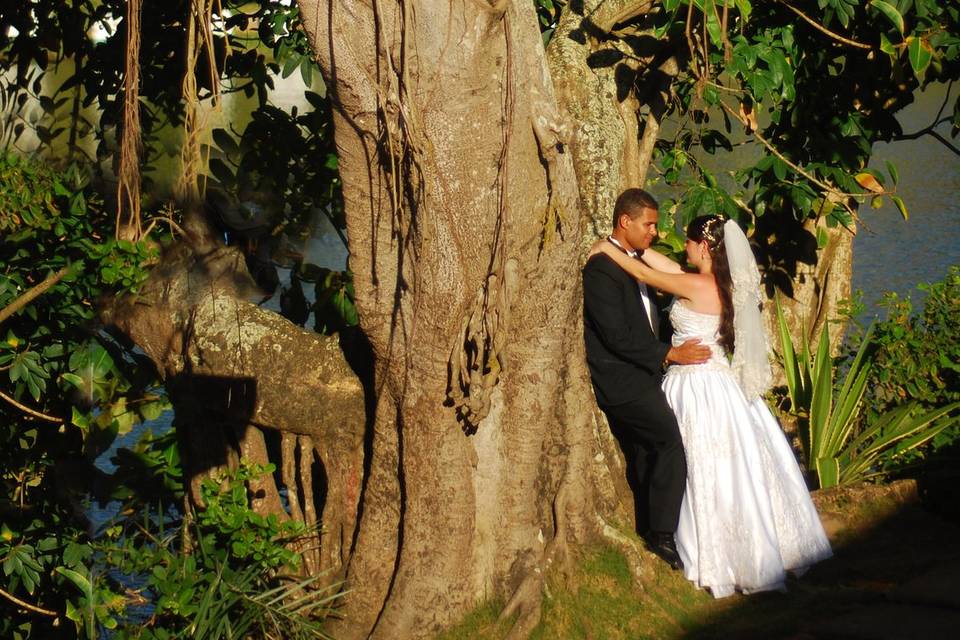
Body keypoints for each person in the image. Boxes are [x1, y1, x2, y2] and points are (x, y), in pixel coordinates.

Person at [589, 213, 833, 598]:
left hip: (697, 385)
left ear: (703, 246)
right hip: (725, 386)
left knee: (698, 463)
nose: (681, 248)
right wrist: (633, 247)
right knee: (736, 468)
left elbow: (654, 278)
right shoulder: (724, 282)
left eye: (688, 241)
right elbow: (664, 267)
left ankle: (704, 549)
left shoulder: (693, 285)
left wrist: (607, 250)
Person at [582, 189, 711, 570]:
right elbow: (615, 335)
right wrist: (669, 354)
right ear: (626, 222)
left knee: (645, 450)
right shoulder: (601, 269)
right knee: (669, 442)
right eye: (649, 225)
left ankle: (649, 523)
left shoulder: (633, 259)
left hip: (646, 374)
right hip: (622, 379)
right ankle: (663, 536)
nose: (655, 231)